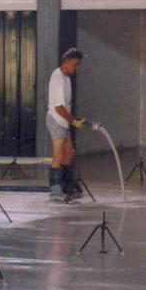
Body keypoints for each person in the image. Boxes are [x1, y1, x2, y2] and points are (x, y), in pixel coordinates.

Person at [47, 47, 86, 201]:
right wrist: (73, 121)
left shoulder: (67, 78)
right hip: (56, 120)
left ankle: (66, 185)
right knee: (59, 154)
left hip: (63, 120)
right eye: (75, 65)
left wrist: (72, 120)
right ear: (66, 62)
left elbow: (65, 106)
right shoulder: (58, 78)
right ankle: (55, 190)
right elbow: (58, 107)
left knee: (69, 153)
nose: (76, 68)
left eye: (78, 65)